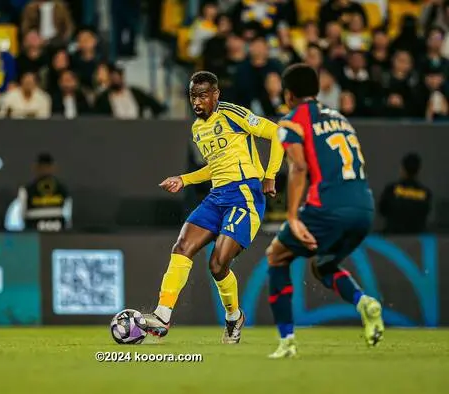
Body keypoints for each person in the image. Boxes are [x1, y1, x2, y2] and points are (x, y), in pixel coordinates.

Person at [142, 71, 284, 344]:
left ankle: (234, 317)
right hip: (217, 196)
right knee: (182, 246)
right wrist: (183, 179)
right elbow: (216, 167)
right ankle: (162, 314)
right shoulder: (198, 128)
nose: (197, 101)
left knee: (218, 264)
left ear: (216, 95)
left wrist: (270, 174)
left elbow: (277, 133)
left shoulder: (232, 113)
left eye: (203, 95)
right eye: (193, 96)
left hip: (244, 194)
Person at [266, 64, 384, 359]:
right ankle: (364, 302)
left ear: (288, 94)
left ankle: (287, 341)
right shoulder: (342, 119)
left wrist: (292, 216)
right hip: (364, 208)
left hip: (328, 206)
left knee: (277, 256)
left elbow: (300, 167)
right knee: (323, 266)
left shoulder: (290, 123)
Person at [17, 153, 72, 232]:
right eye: (42, 167)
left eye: (47, 167)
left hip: (58, 235)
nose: (45, 170)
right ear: (36, 168)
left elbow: (68, 215)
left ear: (53, 168)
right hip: (34, 233)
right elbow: (22, 215)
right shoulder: (26, 190)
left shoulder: (63, 189)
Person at [379, 153, 432, 234]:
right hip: (417, 239)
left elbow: (382, 210)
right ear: (418, 170)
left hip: (393, 237)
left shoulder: (391, 190)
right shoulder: (425, 193)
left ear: (402, 169)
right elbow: (426, 213)